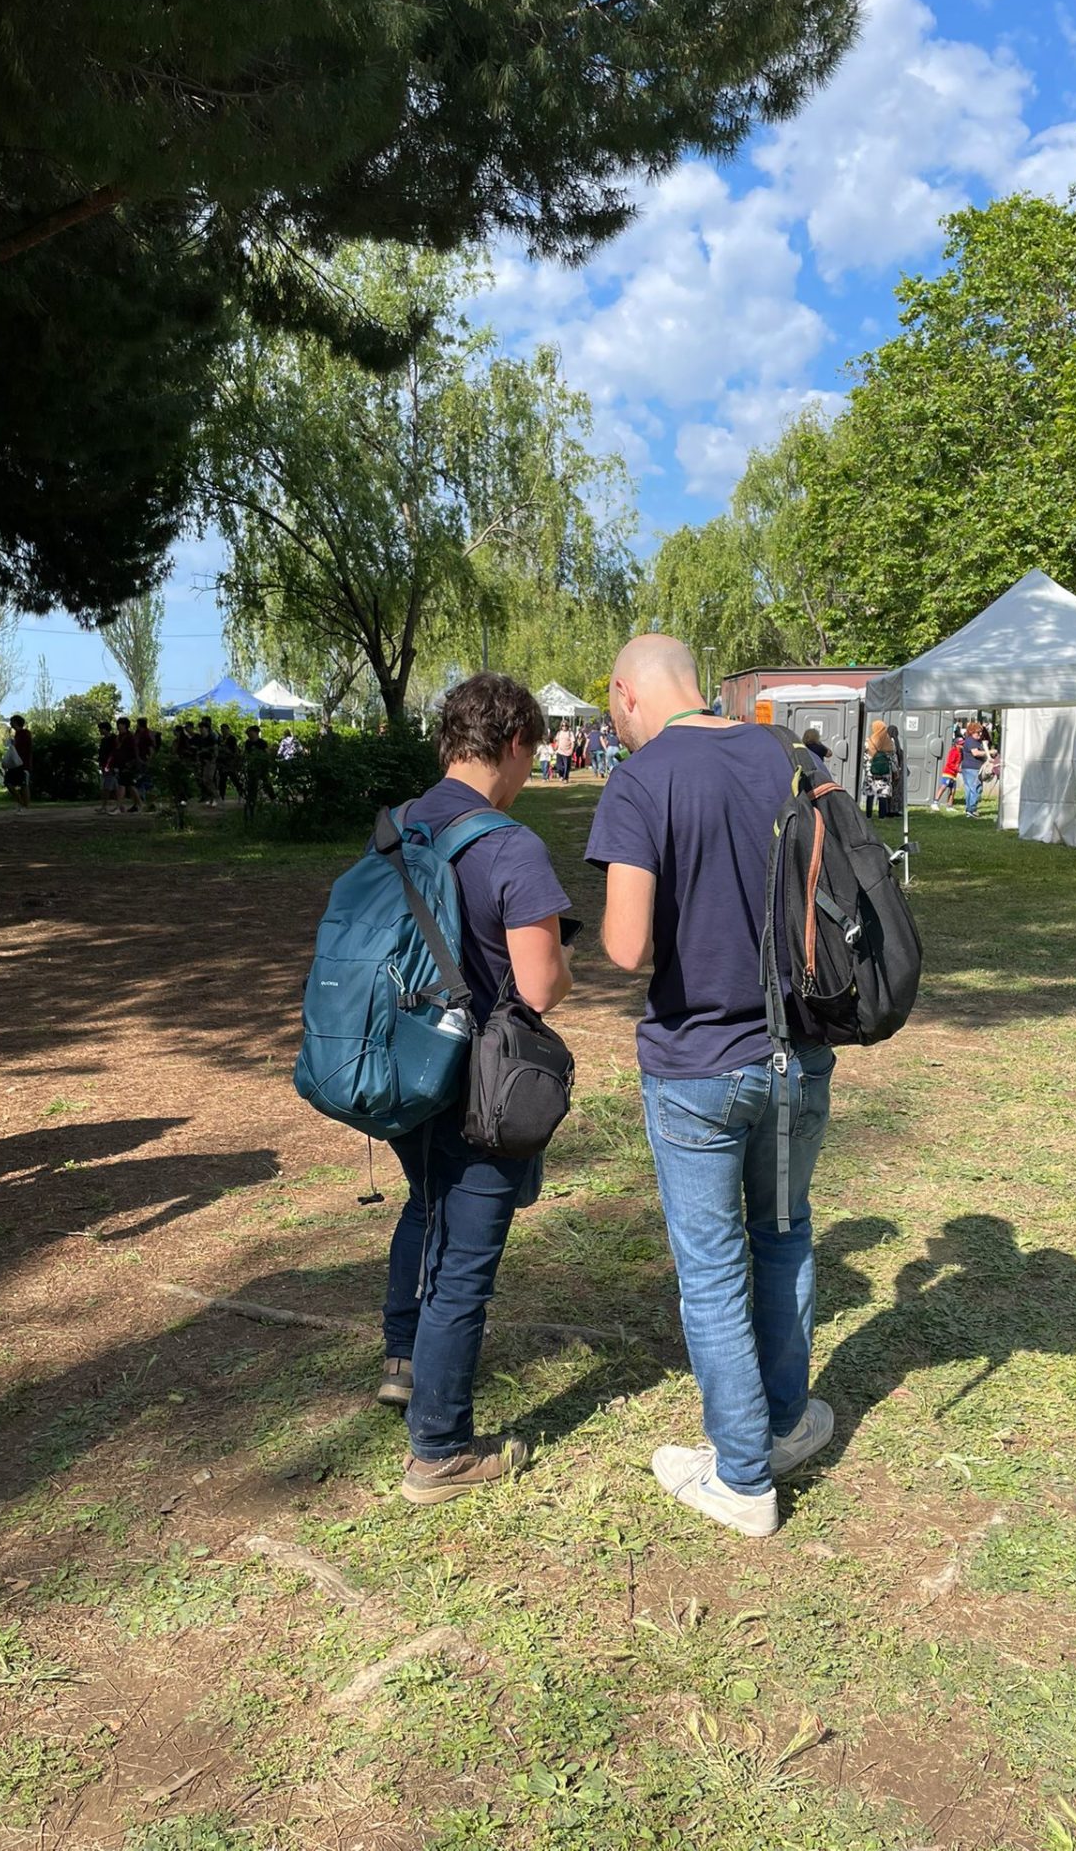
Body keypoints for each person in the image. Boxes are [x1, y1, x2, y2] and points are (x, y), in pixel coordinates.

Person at [586, 635, 837, 1539]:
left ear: (627, 694)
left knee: (713, 1269)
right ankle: (785, 1424)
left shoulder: (641, 781)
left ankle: (741, 1477)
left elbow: (626, 949)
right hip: (798, 1052)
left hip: (698, 1066)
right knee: (785, 1235)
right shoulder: (787, 757)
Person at [380, 673, 574, 1506]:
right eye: (532, 754)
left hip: (402, 1066)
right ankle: (440, 1451)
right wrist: (563, 957)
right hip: (479, 1088)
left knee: (424, 1207)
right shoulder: (511, 847)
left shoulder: (397, 826)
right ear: (516, 743)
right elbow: (540, 987)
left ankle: (402, 1360)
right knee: (464, 1263)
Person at [862, 719, 896, 821]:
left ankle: (868, 815)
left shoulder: (868, 742)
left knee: (870, 793)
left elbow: (864, 758)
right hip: (885, 772)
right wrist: (895, 770)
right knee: (883, 794)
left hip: (871, 772)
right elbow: (893, 758)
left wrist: (867, 767)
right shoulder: (890, 742)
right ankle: (882, 816)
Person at [958, 719, 992, 819]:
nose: (980, 734)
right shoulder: (971, 741)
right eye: (978, 732)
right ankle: (972, 809)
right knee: (976, 788)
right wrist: (989, 752)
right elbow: (975, 753)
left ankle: (969, 810)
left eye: (981, 732)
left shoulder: (973, 741)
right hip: (972, 768)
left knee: (969, 789)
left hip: (968, 767)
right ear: (972, 732)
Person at [243, 724, 276, 819]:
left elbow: (267, 753)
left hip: (261, 767)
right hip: (251, 767)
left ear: (256, 733)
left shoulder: (262, 743)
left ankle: (273, 798)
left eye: (250, 732)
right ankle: (251, 801)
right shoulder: (247, 743)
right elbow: (246, 753)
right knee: (252, 785)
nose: (249, 734)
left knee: (266, 782)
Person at [109, 716, 142, 814]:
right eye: (118, 724)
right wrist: (112, 764)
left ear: (126, 726)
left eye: (122, 724)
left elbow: (134, 751)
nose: (119, 726)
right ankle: (139, 805)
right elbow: (115, 751)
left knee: (122, 784)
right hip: (120, 764)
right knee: (130, 786)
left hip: (128, 764)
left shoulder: (130, 737)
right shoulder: (118, 737)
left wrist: (132, 762)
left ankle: (119, 807)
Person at [2, 714, 34, 808]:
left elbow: (24, 749)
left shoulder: (24, 734)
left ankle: (25, 804)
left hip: (23, 763)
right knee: (9, 782)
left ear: (16, 722)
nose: (10, 724)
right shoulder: (17, 735)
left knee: (23, 784)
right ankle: (22, 802)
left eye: (12, 722)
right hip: (16, 763)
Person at [193, 717, 219, 806]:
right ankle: (211, 797)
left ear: (207, 728)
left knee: (209, 779)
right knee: (205, 780)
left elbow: (215, 749)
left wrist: (213, 760)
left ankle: (215, 797)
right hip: (203, 762)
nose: (200, 729)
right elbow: (198, 750)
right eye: (200, 728)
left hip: (210, 761)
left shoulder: (211, 737)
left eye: (202, 728)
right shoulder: (200, 739)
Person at [931, 738, 962, 810]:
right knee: (943, 787)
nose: (962, 745)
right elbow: (949, 763)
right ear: (956, 744)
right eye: (961, 744)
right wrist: (957, 769)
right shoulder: (953, 751)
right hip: (948, 773)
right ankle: (935, 803)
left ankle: (949, 806)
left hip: (954, 774)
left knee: (953, 790)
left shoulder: (960, 752)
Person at [97, 719, 120, 813]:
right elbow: (101, 753)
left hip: (111, 766)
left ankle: (104, 806)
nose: (99, 731)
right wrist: (101, 764)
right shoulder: (103, 740)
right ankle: (119, 806)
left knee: (106, 787)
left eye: (100, 729)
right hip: (104, 765)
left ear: (105, 729)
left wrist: (112, 765)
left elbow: (115, 752)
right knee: (113, 787)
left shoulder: (114, 739)